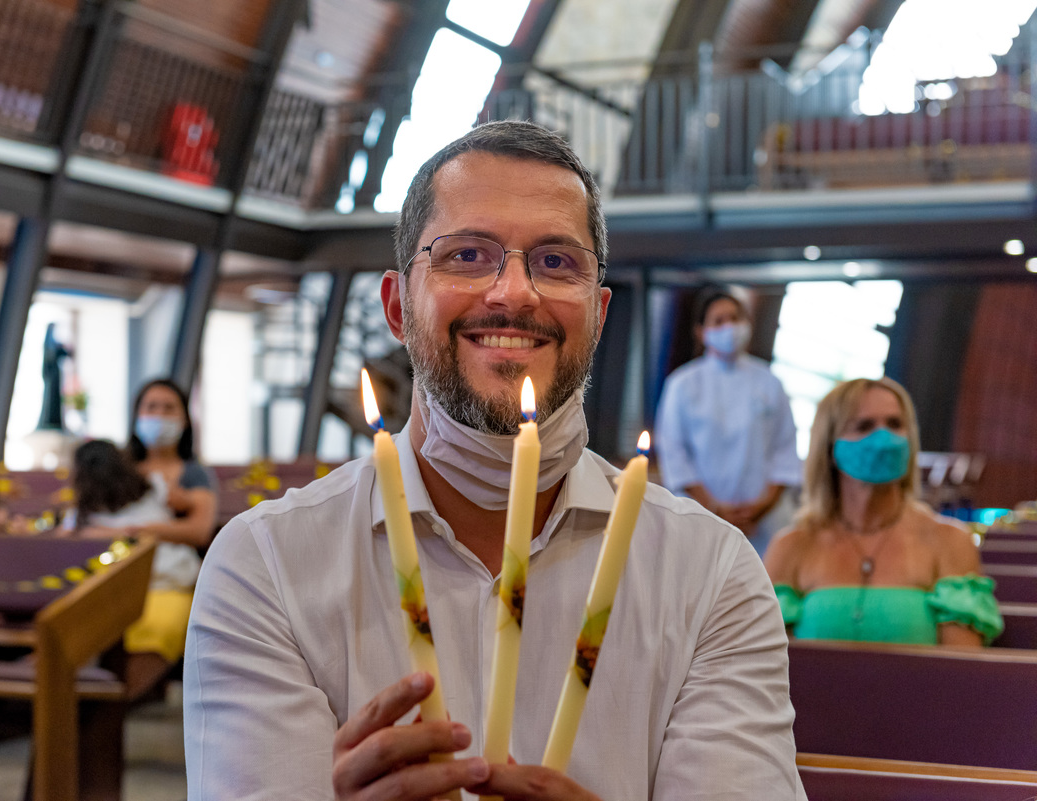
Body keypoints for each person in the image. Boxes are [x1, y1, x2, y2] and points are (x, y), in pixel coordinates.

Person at [185, 121, 803, 800]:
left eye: (556, 262)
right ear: (397, 305)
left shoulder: (710, 573)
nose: (513, 292)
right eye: (467, 255)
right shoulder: (267, 565)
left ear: (597, 315)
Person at [764, 377, 1002, 645]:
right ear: (830, 447)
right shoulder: (792, 547)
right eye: (864, 426)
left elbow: (961, 670)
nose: (884, 438)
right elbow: (768, 665)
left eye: (895, 424)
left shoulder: (950, 541)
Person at [654, 288, 801, 556]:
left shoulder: (769, 381)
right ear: (701, 332)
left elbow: (785, 450)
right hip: (698, 516)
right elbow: (675, 454)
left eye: (735, 318)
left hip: (762, 524)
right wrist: (715, 508)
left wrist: (759, 509)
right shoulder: (683, 384)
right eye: (719, 321)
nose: (729, 327)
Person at [64, 439, 201, 690]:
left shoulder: (155, 487)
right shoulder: (81, 515)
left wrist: (142, 529)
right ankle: (97, 700)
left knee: (155, 627)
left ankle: (112, 703)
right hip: (110, 588)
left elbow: (193, 511)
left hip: (166, 580)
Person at [125, 379, 218, 549]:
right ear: (136, 416)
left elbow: (199, 532)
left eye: (169, 408)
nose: (159, 414)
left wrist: (133, 531)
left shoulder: (195, 474)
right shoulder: (119, 469)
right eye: (151, 407)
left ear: (185, 420)